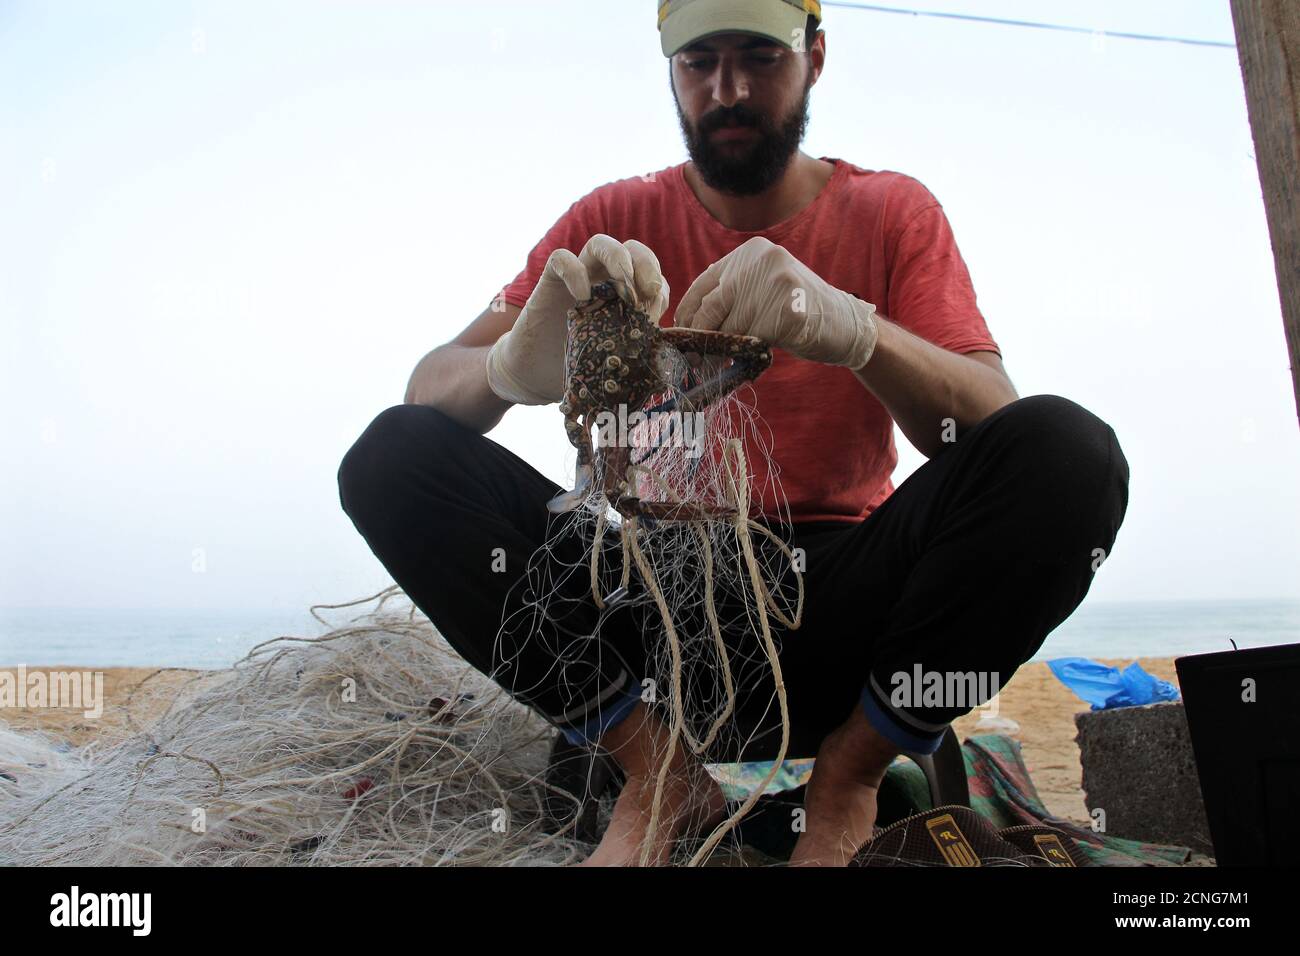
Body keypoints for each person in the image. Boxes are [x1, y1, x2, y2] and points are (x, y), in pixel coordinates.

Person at [338, 0, 1130, 866]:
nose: (729, 89)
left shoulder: (892, 210)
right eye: (699, 62)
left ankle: (851, 775)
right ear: (670, 70)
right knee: (389, 459)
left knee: (1072, 455)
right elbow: (426, 390)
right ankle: (658, 774)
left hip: (843, 614)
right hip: (652, 625)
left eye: (759, 55)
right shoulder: (612, 217)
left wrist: (857, 330)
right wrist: (505, 371)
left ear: (815, 58)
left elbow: (988, 416)